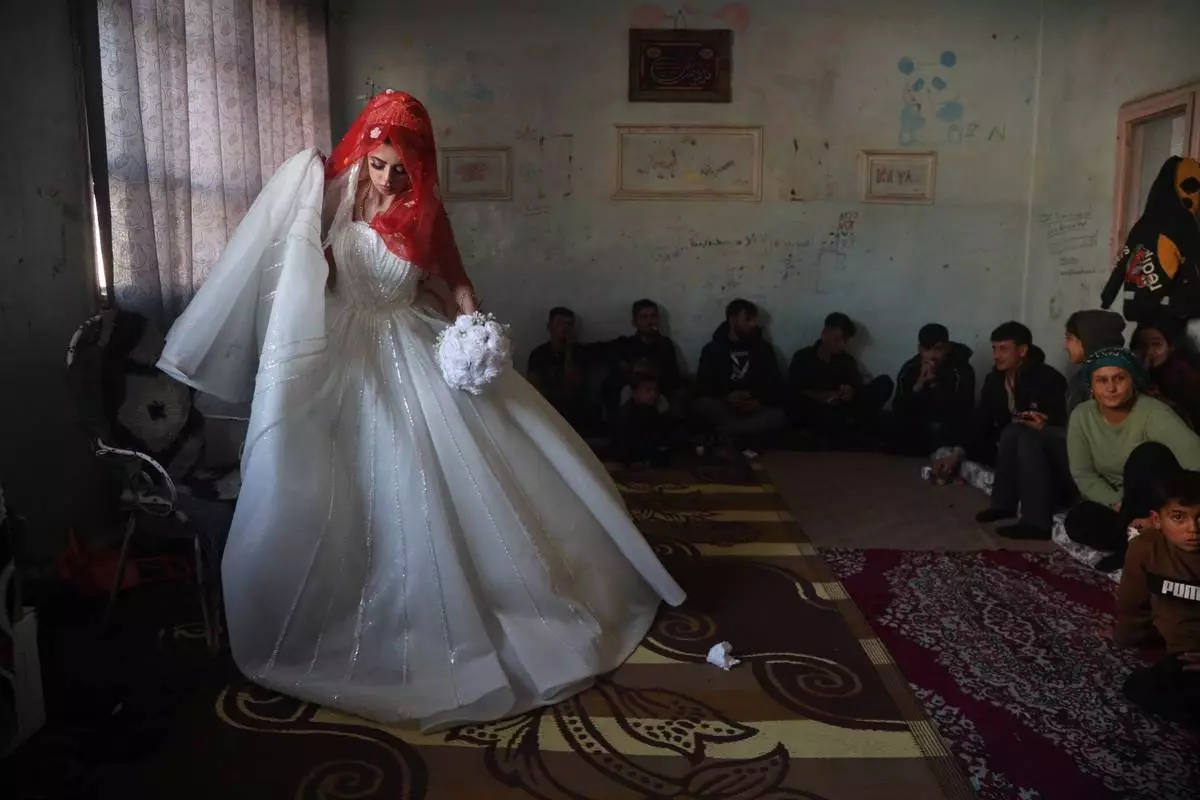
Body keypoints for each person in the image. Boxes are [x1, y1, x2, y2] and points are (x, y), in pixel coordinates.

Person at [154, 91, 685, 732]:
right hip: (345, 353)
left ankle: (480, 605)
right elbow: (313, 276)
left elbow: (453, 280)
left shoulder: (427, 212)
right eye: (378, 163)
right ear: (364, 152)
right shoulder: (341, 196)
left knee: (434, 472)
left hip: (410, 343)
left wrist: (474, 325)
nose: (387, 178)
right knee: (339, 482)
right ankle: (339, 608)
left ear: (420, 166)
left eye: (400, 168)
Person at [1065, 347, 1200, 570]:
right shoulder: (1082, 416)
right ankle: (1140, 539)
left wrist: (1164, 512)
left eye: (1119, 378)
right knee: (1078, 520)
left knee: (1146, 455)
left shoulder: (1154, 413)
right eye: (1102, 380)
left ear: (1133, 381)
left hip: (1158, 504)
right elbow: (1084, 474)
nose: (1111, 388)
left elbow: (1195, 462)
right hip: (1121, 506)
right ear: (1092, 387)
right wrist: (1117, 502)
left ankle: (1133, 547)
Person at [937, 322, 1070, 539]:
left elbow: (1064, 421)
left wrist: (1043, 423)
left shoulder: (1047, 378)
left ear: (1023, 350)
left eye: (1003, 349)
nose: (997, 355)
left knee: (1023, 434)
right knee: (1007, 432)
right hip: (1015, 442)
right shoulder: (995, 380)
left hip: (1052, 446)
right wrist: (957, 453)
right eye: (994, 348)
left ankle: (1036, 523)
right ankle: (1003, 505)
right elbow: (982, 419)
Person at [1110, 468, 1200, 729]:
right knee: (1139, 687)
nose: (1192, 529)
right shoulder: (1145, 548)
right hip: (1182, 655)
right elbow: (1132, 603)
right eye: (1178, 518)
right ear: (1157, 520)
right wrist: (1125, 635)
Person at [1101, 156, 1200, 327]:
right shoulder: (1183, 223)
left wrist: (1107, 298)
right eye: (1190, 187)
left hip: (1140, 310)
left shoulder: (1143, 223)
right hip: (1172, 313)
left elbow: (1122, 261)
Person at [787, 312, 894, 447]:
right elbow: (793, 389)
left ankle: (844, 431)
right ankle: (845, 433)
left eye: (845, 340)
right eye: (837, 339)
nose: (842, 344)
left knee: (884, 383)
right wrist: (821, 396)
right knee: (798, 404)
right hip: (815, 409)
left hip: (843, 409)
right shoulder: (803, 357)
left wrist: (850, 392)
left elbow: (856, 387)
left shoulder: (846, 360)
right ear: (825, 332)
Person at [693, 299, 787, 451]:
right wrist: (727, 396)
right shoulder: (713, 349)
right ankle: (741, 433)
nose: (753, 324)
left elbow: (775, 384)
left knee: (779, 415)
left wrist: (758, 400)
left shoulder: (764, 349)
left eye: (754, 320)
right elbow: (702, 385)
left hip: (755, 408)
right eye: (747, 319)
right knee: (702, 404)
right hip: (724, 407)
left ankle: (731, 432)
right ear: (732, 319)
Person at [887, 323, 975, 455]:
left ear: (947, 348)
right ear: (920, 349)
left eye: (938, 349)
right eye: (927, 349)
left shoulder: (961, 369)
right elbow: (898, 408)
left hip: (948, 423)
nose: (932, 355)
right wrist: (918, 385)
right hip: (920, 423)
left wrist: (934, 383)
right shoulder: (910, 368)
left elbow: (962, 408)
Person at [527, 306, 594, 432]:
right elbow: (533, 387)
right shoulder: (539, 354)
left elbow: (574, 382)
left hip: (576, 409)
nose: (565, 328)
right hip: (547, 407)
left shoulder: (580, 352)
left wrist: (568, 352)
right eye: (560, 323)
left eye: (569, 324)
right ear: (550, 326)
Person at [1131, 315, 1200, 427]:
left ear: (1171, 346)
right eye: (1143, 345)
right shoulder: (1148, 370)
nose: (1149, 351)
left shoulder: (1185, 373)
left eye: (1156, 344)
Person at [1063, 309, 1127, 413]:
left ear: (1087, 339)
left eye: (1069, 338)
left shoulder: (1107, 383)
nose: (1066, 346)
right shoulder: (1083, 376)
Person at [609, 372, 673, 468]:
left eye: (655, 391)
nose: (654, 394)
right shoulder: (624, 416)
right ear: (634, 393)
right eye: (648, 390)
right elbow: (620, 448)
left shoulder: (656, 414)